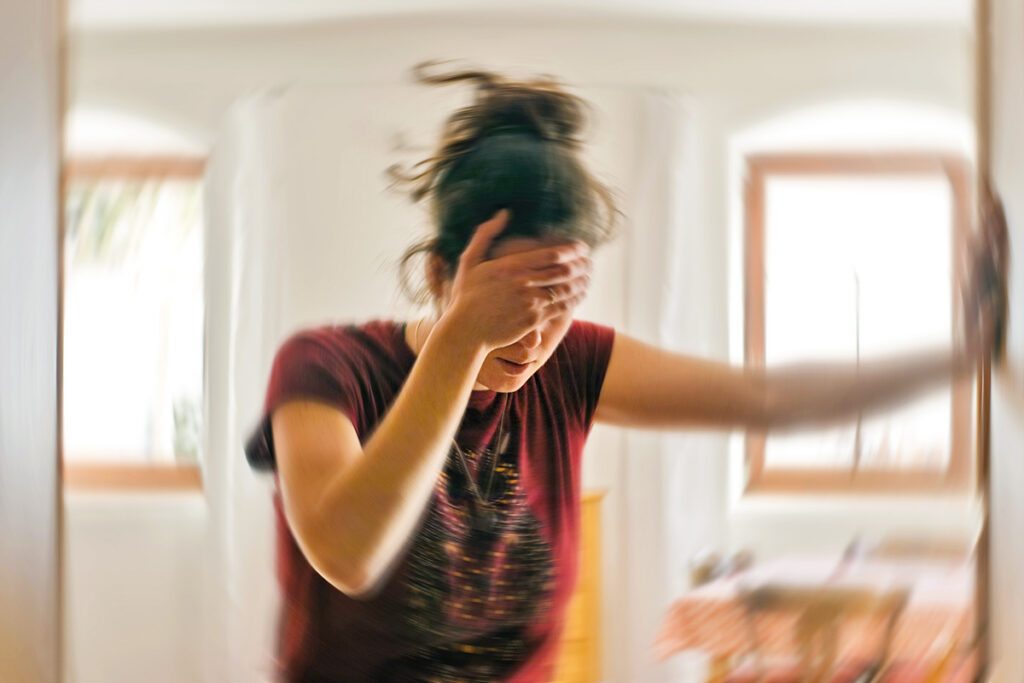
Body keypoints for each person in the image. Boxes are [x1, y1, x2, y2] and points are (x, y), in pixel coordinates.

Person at [244, 64, 1007, 682]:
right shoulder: (325, 366)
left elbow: (768, 397)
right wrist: (462, 342)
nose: (531, 333)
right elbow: (349, 554)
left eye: (556, 300)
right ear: (443, 274)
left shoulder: (574, 364)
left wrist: (965, 351)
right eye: (505, 297)